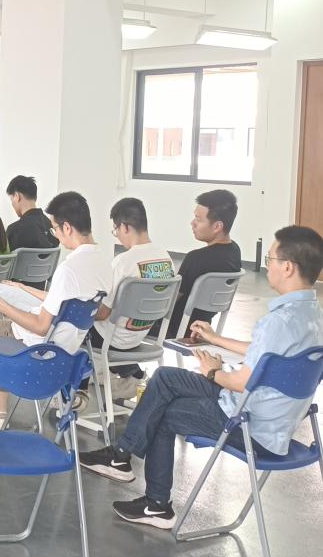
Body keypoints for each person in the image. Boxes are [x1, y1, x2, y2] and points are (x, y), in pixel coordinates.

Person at [80, 226, 323, 529]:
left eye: (270, 259)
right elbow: (267, 353)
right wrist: (216, 339)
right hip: (274, 421)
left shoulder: (277, 322)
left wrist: (212, 370)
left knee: (164, 413)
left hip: (249, 423)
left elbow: (241, 383)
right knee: (165, 377)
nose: (267, 266)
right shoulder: (312, 316)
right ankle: (120, 456)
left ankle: (156, 504)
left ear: (287, 267)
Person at [0, 191, 113, 427]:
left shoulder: (69, 269)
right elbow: (71, 303)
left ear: (67, 227)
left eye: (55, 229)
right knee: (12, 316)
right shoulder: (104, 263)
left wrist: (0, 304)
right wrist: (23, 288)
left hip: (38, 348)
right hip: (67, 351)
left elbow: (40, 327)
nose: (56, 235)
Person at [85, 197, 174, 404]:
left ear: (124, 227)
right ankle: (131, 374)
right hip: (140, 334)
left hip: (112, 339)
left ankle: (75, 393)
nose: (117, 235)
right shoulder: (166, 258)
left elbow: (104, 313)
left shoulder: (123, 262)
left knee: (73, 325)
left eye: (115, 230)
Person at [164, 189, 241, 338]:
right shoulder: (235, 251)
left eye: (198, 219)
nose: (192, 223)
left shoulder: (196, 258)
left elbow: (171, 300)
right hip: (202, 328)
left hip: (172, 328)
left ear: (217, 226)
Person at [4, 175, 57, 251]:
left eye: (11, 199)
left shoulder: (13, 231)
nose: (12, 204)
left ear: (17, 196)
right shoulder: (52, 226)